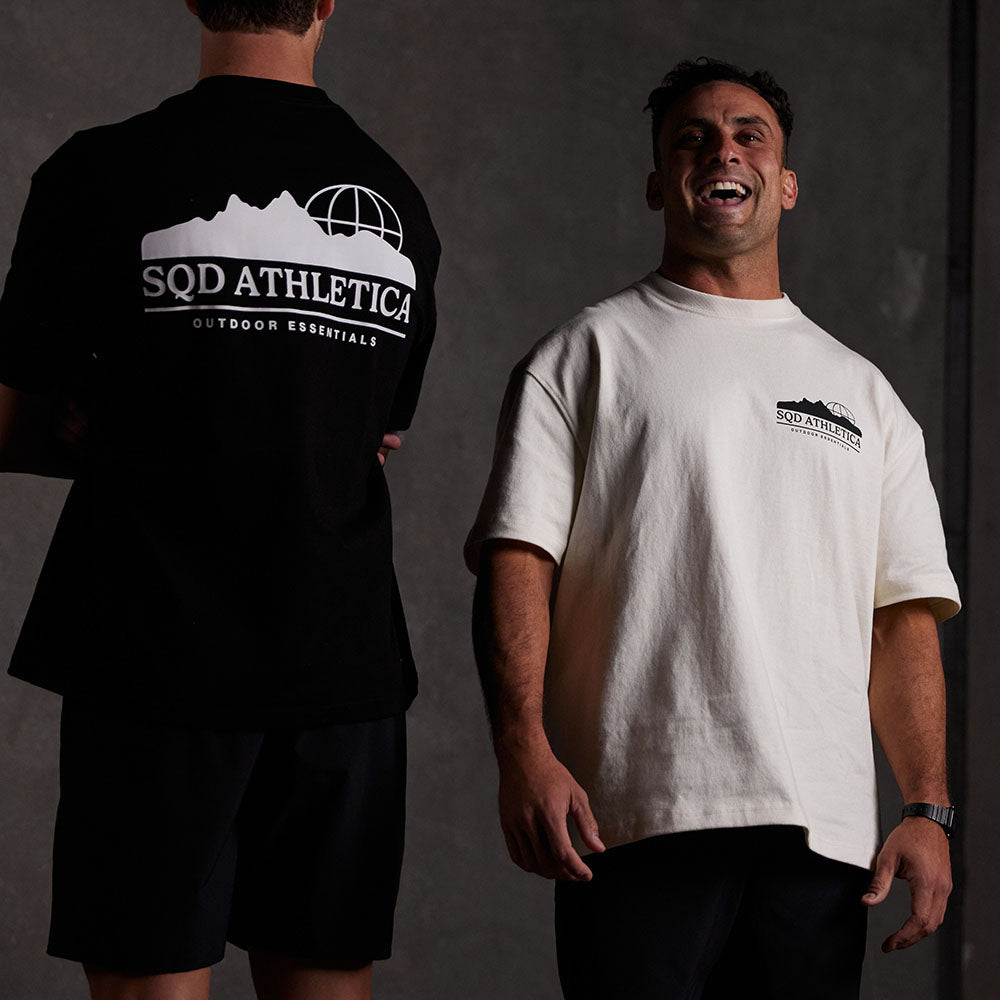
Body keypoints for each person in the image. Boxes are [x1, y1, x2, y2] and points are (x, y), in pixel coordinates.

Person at [466, 57, 958, 999]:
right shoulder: (585, 356)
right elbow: (517, 564)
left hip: (819, 836)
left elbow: (902, 620)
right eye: (692, 139)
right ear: (660, 184)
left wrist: (928, 808)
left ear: (787, 182)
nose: (722, 151)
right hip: (635, 814)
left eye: (748, 135)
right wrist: (522, 749)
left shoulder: (865, 395)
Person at [0, 2, 439, 998]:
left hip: (151, 651)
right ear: (327, 1)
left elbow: (14, 419)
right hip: (339, 660)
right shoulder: (398, 204)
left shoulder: (99, 171)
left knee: (149, 981)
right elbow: (367, 437)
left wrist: (122, 429)